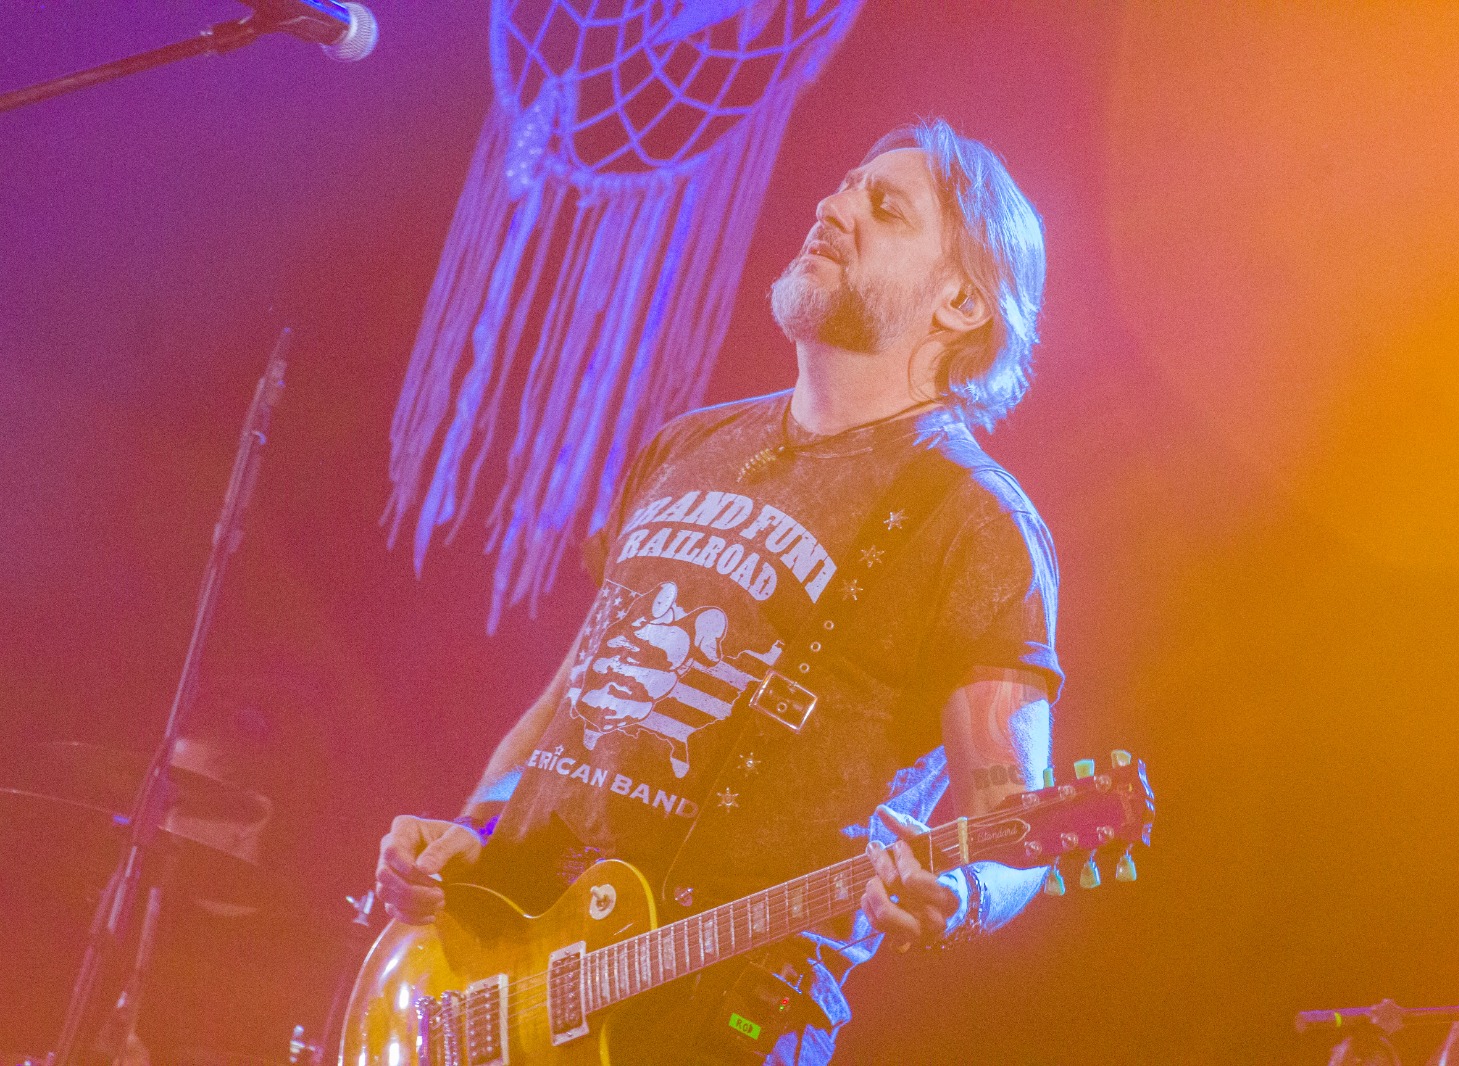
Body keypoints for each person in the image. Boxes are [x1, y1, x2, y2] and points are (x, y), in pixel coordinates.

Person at [374, 117, 1060, 1064]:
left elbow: (1017, 824)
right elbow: (578, 691)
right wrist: (474, 827)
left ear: (962, 303)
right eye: (845, 183)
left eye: (885, 206)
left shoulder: (975, 519)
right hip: (506, 976)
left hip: (715, 1017)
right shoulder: (689, 444)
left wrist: (962, 894)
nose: (834, 207)